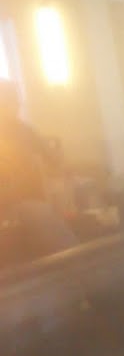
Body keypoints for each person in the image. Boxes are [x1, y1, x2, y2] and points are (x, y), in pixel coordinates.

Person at [0, 78, 77, 264]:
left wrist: (62, 169)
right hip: (19, 206)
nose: (16, 107)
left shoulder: (24, 131)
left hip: (31, 202)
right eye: (10, 101)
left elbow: (54, 160)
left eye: (16, 101)